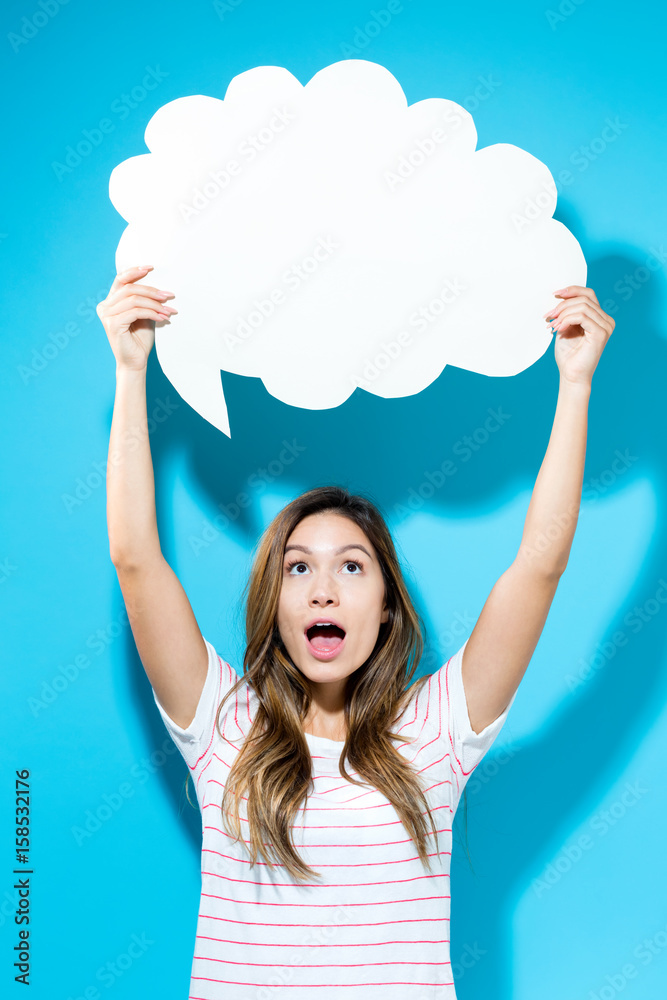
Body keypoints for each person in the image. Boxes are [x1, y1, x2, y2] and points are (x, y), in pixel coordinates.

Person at [96, 265, 615, 999]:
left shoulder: (435, 731)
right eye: (299, 569)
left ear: (385, 607)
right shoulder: (221, 725)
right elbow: (136, 559)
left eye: (351, 566)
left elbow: (538, 565)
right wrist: (129, 370)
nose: (325, 589)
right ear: (275, 601)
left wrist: (575, 385)